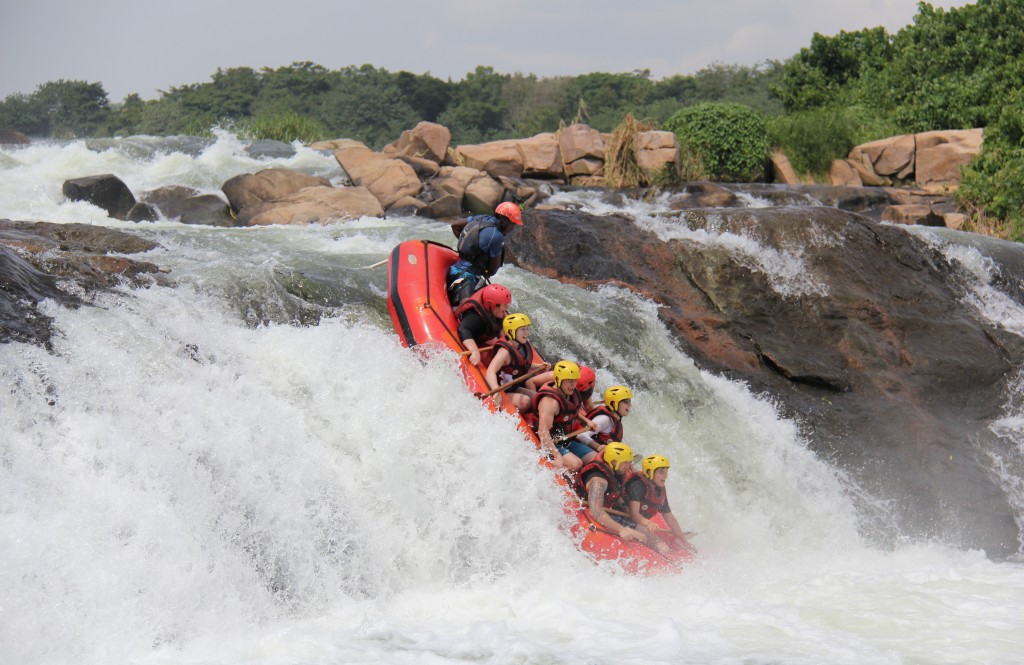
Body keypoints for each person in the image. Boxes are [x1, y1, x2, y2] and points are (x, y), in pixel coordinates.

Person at [447, 202, 523, 307]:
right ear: (504, 220)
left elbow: (454, 226)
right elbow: (493, 270)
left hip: (455, 269)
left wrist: (469, 246)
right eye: (512, 224)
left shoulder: (481, 218)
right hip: (468, 277)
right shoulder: (497, 236)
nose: (513, 228)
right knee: (468, 309)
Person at [529, 360, 597, 471]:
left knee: (595, 458)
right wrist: (557, 456)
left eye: (575, 380)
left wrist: (586, 420)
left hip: (564, 439)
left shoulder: (570, 393)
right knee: (576, 464)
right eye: (570, 381)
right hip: (549, 442)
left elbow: (570, 411)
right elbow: (543, 432)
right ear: (558, 380)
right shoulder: (550, 402)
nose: (574, 385)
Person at [624, 455, 696, 554]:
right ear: (649, 472)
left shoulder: (659, 488)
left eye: (666, 472)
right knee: (663, 548)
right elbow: (634, 514)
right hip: (625, 519)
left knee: (678, 547)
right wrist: (648, 523)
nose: (665, 476)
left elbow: (670, 518)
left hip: (639, 522)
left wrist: (685, 542)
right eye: (661, 472)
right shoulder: (637, 485)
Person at [578, 441, 647, 544]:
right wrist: (622, 529)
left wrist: (631, 513)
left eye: (629, 462)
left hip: (608, 506)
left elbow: (615, 493)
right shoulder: (598, 481)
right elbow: (596, 511)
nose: (628, 466)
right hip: (589, 510)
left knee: (645, 532)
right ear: (614, 462)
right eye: (625, 462)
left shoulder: (616, 470)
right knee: (643, 535)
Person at [485, 313, 548, 411]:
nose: (526, 333)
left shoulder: (521, 346)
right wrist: (495, 391)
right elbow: (490, 372)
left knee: (536, 397)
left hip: (512, 386)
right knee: (525, 401)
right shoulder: (504, 352)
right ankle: (515, 419)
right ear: (511, 331)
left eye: (527, 329)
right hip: (500, 388)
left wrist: (539, 366)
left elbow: (522, 365)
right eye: (523, 329)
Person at [455, 283, 511, 366]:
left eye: (507, 304)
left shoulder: (496, 311)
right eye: (504, 305)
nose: (506, 308)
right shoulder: (475, 317)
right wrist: (474, 351)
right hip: (474, 335)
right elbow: (463, 329)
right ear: (491, 305)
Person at [576, 385, 632, 457]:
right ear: (614, 403)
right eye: (626, 401)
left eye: (629, 401)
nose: (630, 405)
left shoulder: (615, 420)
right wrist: (598, 446)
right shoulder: (604, 419)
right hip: (586, 452)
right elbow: (581, 435)